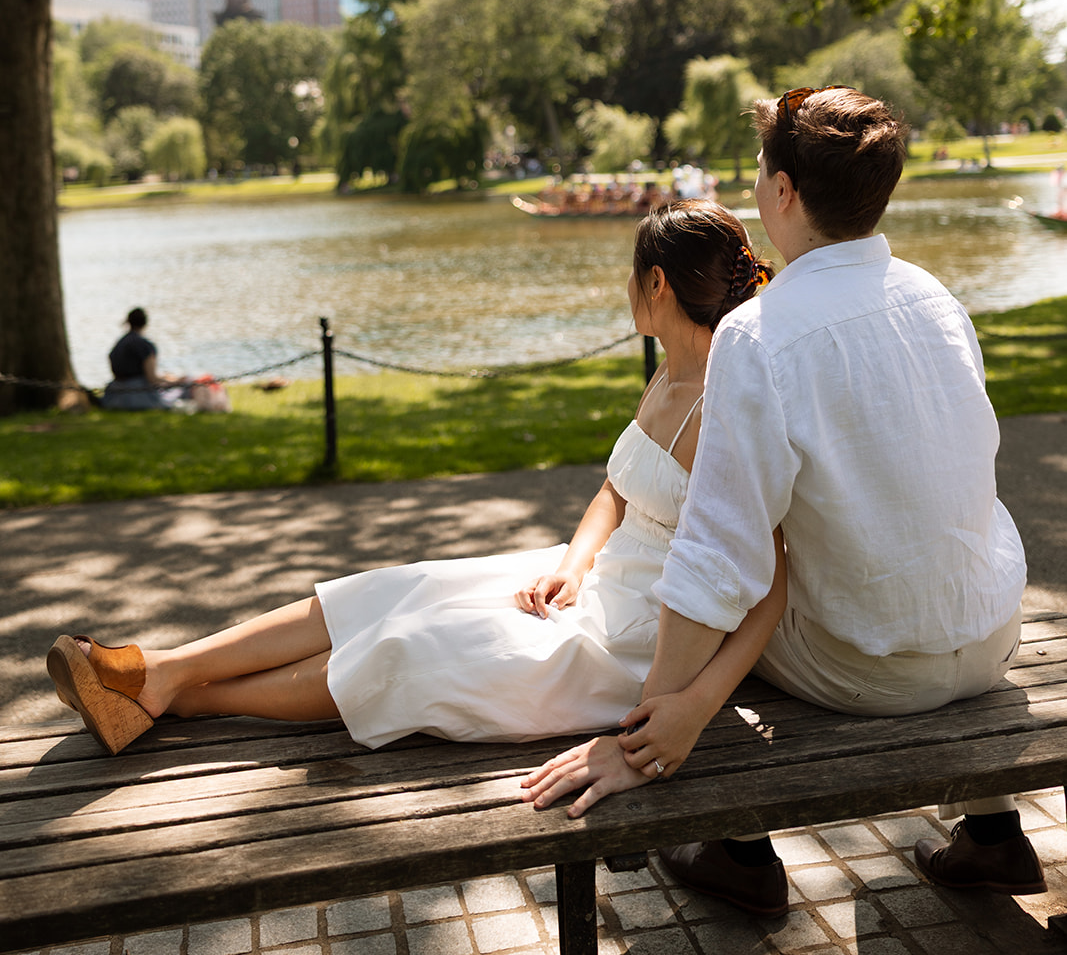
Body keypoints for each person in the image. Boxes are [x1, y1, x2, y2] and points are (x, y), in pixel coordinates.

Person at [523, 87, 1037, 913]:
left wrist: (652, 727)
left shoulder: (758, 334)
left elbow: (716, 562)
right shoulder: (936, 298)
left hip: (862, 668)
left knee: (705, 592)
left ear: (784, 192)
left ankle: (739, 850)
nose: (756, 185)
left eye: (761, 170)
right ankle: (993, 836)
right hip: (986, 633)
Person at [47, 201, 786, 761]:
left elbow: (771, 576)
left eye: (630, 274)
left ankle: (174, 701)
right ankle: (167, 668)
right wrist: (570, 565)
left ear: (654, 283)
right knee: (400, 586)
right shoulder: (665, 375)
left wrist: (693, 700)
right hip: (590, 581)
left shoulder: (723, 405)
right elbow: (616, 492)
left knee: (413, 645)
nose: (625, 287)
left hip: (635, 643)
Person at [101, 308, 189, 412]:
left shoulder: (119, 344)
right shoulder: (145, 345)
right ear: (145, 323)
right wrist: (177, 382)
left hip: (114, 395)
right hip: (138, 395)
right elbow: (152, 378)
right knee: (186, 387)